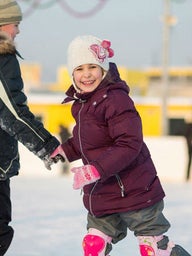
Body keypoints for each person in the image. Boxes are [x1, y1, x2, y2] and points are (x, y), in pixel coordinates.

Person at [50, 35, 191, 256]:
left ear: (103, 69)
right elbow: (84, 140)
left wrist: (96, 169)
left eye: (92, 67)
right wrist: (65, 151)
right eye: (79, 69)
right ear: (72, 74)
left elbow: (129, 143)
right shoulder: (82, 105)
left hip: (135, 190)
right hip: (103, 192)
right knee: (93, 246)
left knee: (153, 249)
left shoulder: (116, 100)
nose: (86, 74)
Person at [0, 1, 63, 255]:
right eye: (16, 24)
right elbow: (12, 111)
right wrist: (47, 145)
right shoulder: (2, 57)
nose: (17, 31)